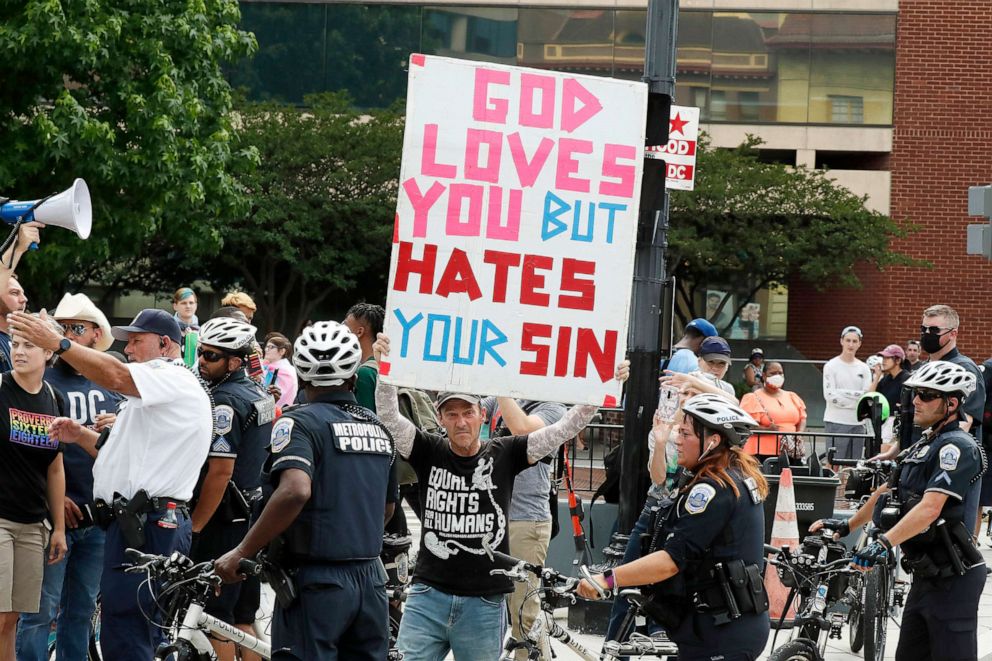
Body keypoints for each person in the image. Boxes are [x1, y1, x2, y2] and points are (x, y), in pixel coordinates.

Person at [373, 331, 629, 660]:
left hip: (483, 602)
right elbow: (390, 419)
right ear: (440, 419)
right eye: (451, 414)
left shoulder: (505, 453)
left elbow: (562, 429)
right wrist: (385, 371)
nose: (461, 421)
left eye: (468, 412)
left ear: (482, 414)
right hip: (427, 596)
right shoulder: (428, 449)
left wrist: (602, 388)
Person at [8, 308, 213, 661]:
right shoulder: (156, 391)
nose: (128, 350)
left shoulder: (171, 375)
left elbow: (116, 375)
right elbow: (124, 453)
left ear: (165, 344)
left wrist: (58, 342)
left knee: (130, 633)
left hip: (148, 524)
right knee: (122, 630)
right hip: (134, 523)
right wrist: (81, 435)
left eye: (136, 341)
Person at [214, 321, 395, 660]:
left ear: (303, 376)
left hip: (316, 581)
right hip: (371, 580)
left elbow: (295, 490)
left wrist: (242, 552)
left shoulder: (299, 423)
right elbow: (385, 508)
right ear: (354, 377)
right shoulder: (377, 427)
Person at [813, 361, 986, 660]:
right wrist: (847, 527)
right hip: (925, 574)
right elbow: (885, 492)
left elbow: (930, 508)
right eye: (915, 394)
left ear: (952, 403)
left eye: (926, 395)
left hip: (953, 578)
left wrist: (882, 544)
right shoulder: (923, 445)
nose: (916, 401)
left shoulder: (956, 448)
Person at [579, 394, 770, 661]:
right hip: (715, 627)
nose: (677, 440)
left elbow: (671, 561)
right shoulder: (733, 477)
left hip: (720, 636)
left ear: (712, 441)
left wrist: (608, 579)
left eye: (685, 433)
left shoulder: (713, 490)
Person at [16, 294, 121, 661]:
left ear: (96, 334)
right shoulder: (43, 377)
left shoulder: (112, 378)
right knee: (39, 613)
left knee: (81, 612)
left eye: (77, 328)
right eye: (63, 329)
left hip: (98, 516)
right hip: (53, 515)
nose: (69, 336)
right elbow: (24, 450)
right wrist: (53, 499)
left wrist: (119, 426)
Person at [191, 318, 273, 661]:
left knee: (215, 618)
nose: (201, 361)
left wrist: (195, 526)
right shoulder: (259, 391)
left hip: (223, 519)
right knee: (243, 617)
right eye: (200, 352)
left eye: (210, 356)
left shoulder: (225, 401)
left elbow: (220, 471)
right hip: (253, 515)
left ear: (235, 362)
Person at [0, 316, 69, 659]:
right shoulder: (0, 388)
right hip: (0, 519)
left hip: (32, 523)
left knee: (13, 617)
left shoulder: (54, 398)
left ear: (48, 352)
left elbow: (55, 467)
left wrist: (58, 528)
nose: (19, 351)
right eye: (15, 344)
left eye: (29, 345)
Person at [481, 396, 566, 660]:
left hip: (526, 520)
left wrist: (503, 386)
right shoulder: (499, 399)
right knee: (485, 606)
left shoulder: (553, 407)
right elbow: (471, 410)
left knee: (523, 614)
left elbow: (522, 427)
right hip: (493, 518)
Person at [740, 361, 807, 462]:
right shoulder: (753, 398)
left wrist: (799, 433)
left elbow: (802, 418)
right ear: (764, 376)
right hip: (763, 453)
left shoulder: (791, 396)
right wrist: (766, 430)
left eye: (780, 373)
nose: (777, 376)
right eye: (773, 373)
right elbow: (745, 426)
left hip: (791, 450)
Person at [822, 325, 872, 460]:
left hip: (858, 423)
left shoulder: (864, 368)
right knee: (834, 462)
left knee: (853, 465)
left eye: (855, 341)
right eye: (848, 340)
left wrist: (843, 393)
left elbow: (866, 396)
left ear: (859, 344)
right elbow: (830, 395)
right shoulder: (831, 366)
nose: (851, 344)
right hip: (836, 421)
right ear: (841, 341)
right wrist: (856, 398)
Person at [0, 223, 40, 370]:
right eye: (14, 293)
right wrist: (18, 247)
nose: (24, 299)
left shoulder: (20, 341)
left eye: (22, 293)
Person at [342, 302, 385, 412]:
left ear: (359, 332)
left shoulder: (364, 373)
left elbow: (364, 423)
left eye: (345, 326)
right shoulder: (384, 368)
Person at [867, 344, 910, 444]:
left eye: (888, 358)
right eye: (883, 358)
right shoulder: (886, 379)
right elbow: (870, 397)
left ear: (898, 360)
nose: (884, 361)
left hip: (898, 423)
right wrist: (877, 376)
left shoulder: (906, 378)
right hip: (884, 422)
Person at [262, 333, 297, 408]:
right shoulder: (266, 367)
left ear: (282, 351)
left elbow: (280, 397)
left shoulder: (287, 371)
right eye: (266, 347)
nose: (266, 349)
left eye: (271, 347)